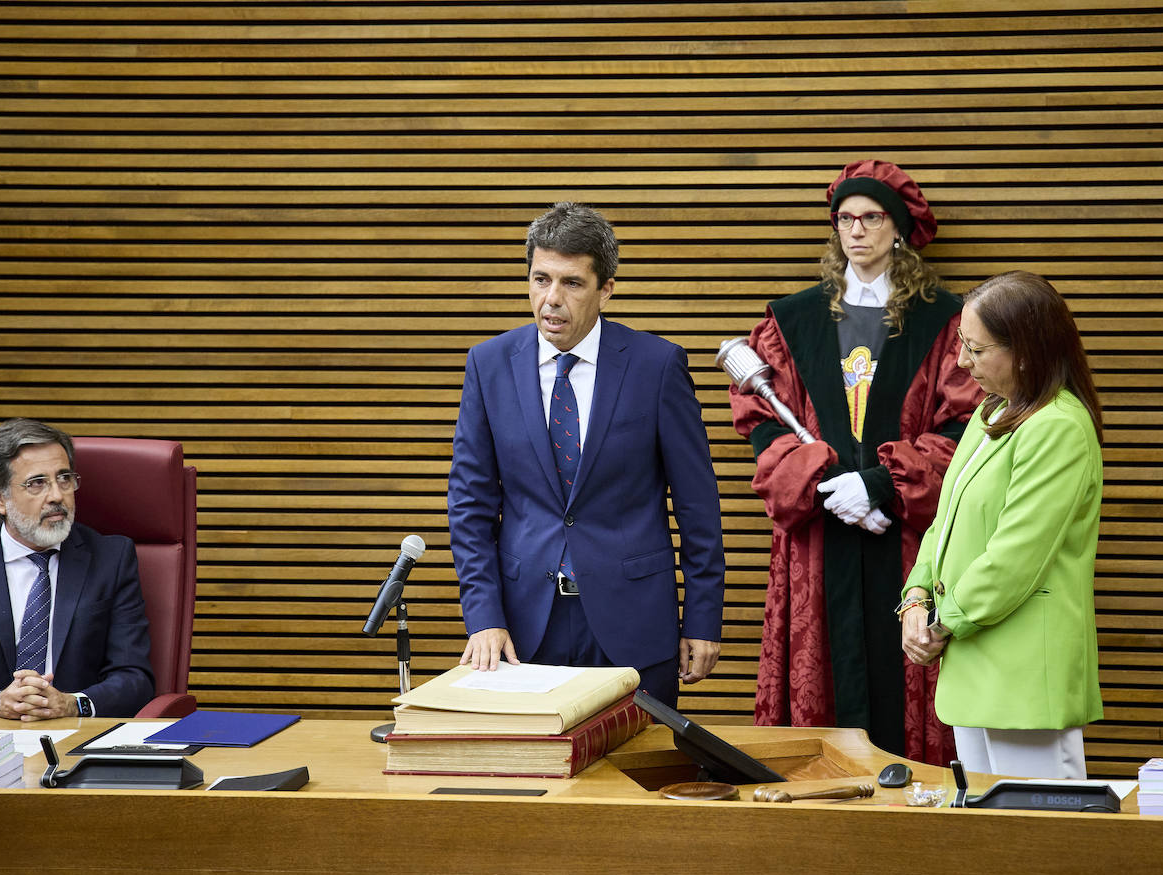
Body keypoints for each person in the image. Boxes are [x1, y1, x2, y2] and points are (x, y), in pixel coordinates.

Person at [729, 160, 982, 761]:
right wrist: (823, 483)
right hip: (820, 543)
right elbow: (761, 422)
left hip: (908, 542)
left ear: (899, 227)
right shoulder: (793, 320)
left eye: (871, 217)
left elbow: (963, 426)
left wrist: (881, 486)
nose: (856, 231)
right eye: (845, 219)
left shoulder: (946, 321)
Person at [448, 202, 725, 708]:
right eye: (540, 279)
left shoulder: (656, 365)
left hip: (636, 626)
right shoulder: (488, 365)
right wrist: (484, 616)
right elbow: (470, 509)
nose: (551, 299)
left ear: (606, 289)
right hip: (525, 628)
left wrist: (702, 620)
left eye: (572, 283)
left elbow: (698, 508)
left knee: (638, 777)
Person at [900, 271, 1104, 779]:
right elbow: (942, 522)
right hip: (974, 660)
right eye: (960, 345)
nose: (962, 363)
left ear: (1027, 351)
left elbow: (1016, 555)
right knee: (993, 840)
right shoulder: (991, 412)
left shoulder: (1058, 426)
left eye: (975, 349)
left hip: (1025, 674)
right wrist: (916, 599)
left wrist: (941, 624)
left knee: (1042, 844)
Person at [0, 418, 154, 719]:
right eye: (37, 483)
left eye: (64, 478)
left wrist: (71, 704)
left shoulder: (111, 560)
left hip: (81, 740)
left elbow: (135, 679)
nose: (57, 495)